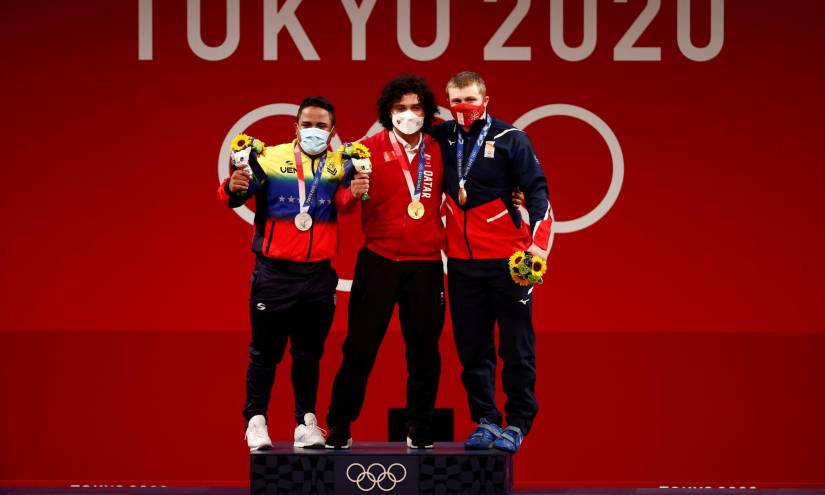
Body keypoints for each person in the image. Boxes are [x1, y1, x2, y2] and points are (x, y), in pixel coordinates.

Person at [217, 96, 368, 452]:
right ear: (295, 127)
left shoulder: (338, 164)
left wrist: (355, 192)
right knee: (264, 354)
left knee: (308, 354)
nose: (313, 130)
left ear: (332, 131)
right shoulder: (269, 158)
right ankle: (256, 420)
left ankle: (305, 422)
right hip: (275, 275)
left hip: (318, 277)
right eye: (307, 124)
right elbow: (237, 193)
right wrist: (233, 186)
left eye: (321, 125)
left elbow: (342, 204)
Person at [429, 71, 552, 454]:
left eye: (469, 99)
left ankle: (516, 423)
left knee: (516, 347)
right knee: (472, 348)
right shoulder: (441, 138)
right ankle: (484, 420)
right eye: (455, 101)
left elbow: (538, 192)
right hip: (463, 264)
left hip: (508, 260)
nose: (462, 107)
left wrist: (538, 248)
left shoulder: (511, 138)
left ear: (486, 99)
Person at [325, 75, 445, 450]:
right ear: (387, 113)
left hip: (425, 265)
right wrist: (350, 194)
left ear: (427, 112)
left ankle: (420, 427)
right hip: (378, 261)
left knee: (424, 349)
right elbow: (338, 203)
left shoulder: (440, 148)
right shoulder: (364, 149)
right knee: (360, 346)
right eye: (400, 109)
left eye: (415, 108)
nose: (408, 115)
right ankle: (339, 426)